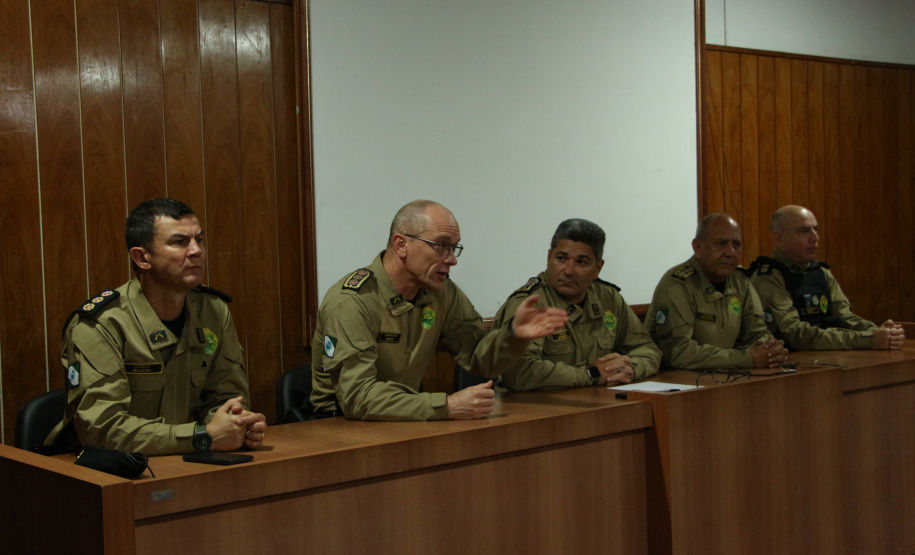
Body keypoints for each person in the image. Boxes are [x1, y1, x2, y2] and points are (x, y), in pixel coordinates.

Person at [310, 200, 569, 421]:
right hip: (337, 425)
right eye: (441, 245)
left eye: (454, 247)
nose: (452, 258)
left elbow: (478, 356)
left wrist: (513, 336)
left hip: (403, 420)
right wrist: (445, 406)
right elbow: (358, 397)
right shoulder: (352, 302)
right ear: (401, 245)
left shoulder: (440, 292)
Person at [45, 198, 267, 455]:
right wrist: (201, 437)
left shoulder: (213, 311)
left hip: (187, 462)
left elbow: (226, 400)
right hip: (109, 473)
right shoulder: (101, 324)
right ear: (142, 258)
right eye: (179, 242)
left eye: (199, 240)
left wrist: (236, 424)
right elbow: (102, 429)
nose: (196, 251)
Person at [492, 219, 660, 391]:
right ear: (549, 258)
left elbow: (647, 349)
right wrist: (591, 374)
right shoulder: (529, 304)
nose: (569, 271)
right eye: (561, 259)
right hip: (529, 409)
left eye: (581, 262)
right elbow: (518, 373)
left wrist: (629, 369)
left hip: (592, 404)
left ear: (597, 268)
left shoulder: (608, 298)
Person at [749, 204, 905, 350]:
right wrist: (867, 339)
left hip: (831, 355)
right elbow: (796, 335)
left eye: (816, 229)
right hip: (793, 363)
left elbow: (844, 316)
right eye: (803, 231)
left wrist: (877, 331)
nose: (815, 238)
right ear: (779, 239)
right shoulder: (768, 277)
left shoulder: (820, 271)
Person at [645, 213, 788, 369]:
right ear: (698, 247)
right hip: (678, 381)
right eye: (721, 243)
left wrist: (769, 350)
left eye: (736, 244)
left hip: (722, 377)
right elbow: (678, 352)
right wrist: (745, 358)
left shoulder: (740, 280)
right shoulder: (678, 284)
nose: (731, 252)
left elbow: (756, 332)